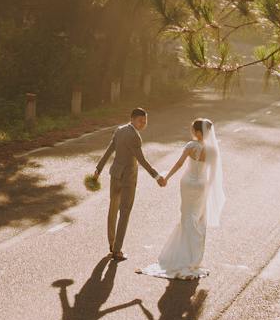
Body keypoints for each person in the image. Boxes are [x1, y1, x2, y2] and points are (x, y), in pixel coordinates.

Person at [140, 118, 225, 280]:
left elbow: (179, 164)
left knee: (186, 216)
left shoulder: (191, 146)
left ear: (199, 132)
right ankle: (193, 258)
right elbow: (213, 175)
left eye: (193, 129)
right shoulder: (213, 150)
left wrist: (166, 177)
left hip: (187, 183)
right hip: (202, 185)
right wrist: (207, 188)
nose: (192, 131)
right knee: (197, 218)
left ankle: (183, 257)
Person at [88, 107, 164, 260]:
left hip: (115, 175)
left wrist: (98, 169)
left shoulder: (119, 130)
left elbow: (109, 150)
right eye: (140, 120)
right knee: (125, 212)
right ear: (132, 119)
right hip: (128, 179)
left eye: (145, 121)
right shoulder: (134, 137)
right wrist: (156, 176)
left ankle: (111, 243)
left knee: (112, 209)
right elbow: (141, 159)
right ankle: (117, 250)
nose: (143, 123)